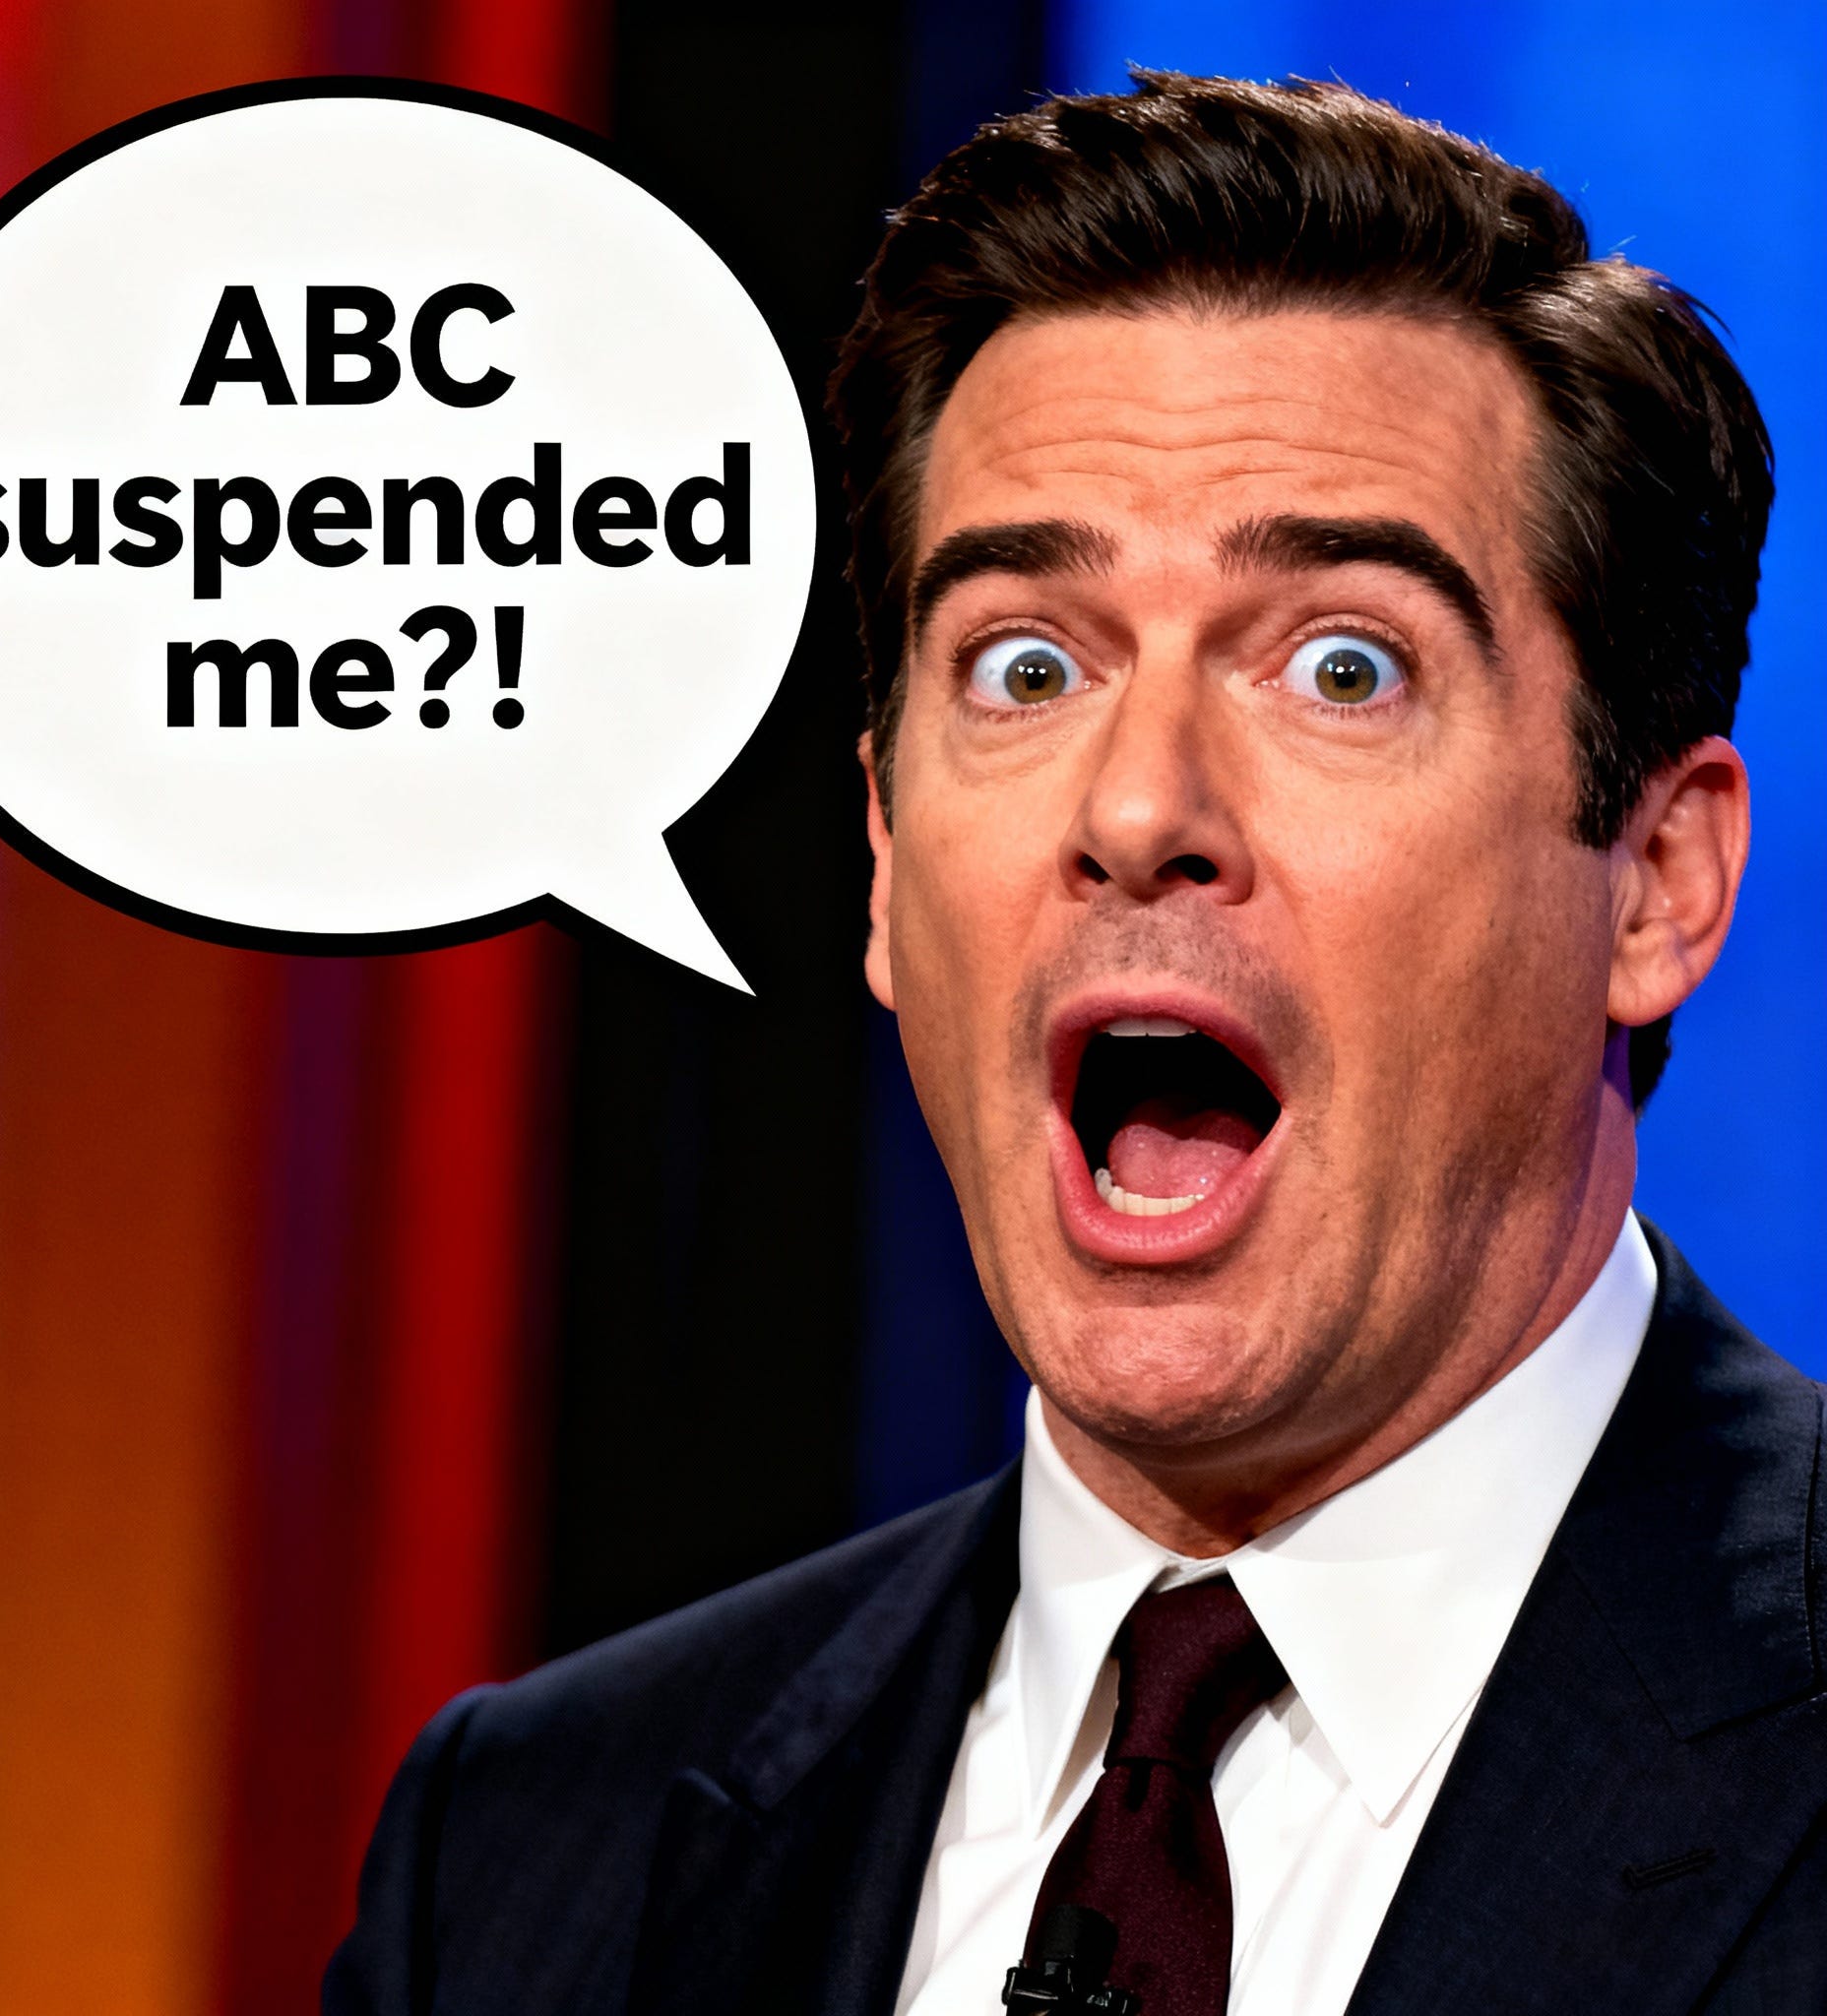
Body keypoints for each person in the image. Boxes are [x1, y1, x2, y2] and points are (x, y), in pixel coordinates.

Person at [325, 74, 1825, 2016]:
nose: (1136, 808)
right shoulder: (529, 1856)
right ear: (884, 861)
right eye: (1025, 666)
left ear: (1655, 886)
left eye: (1342, 667)